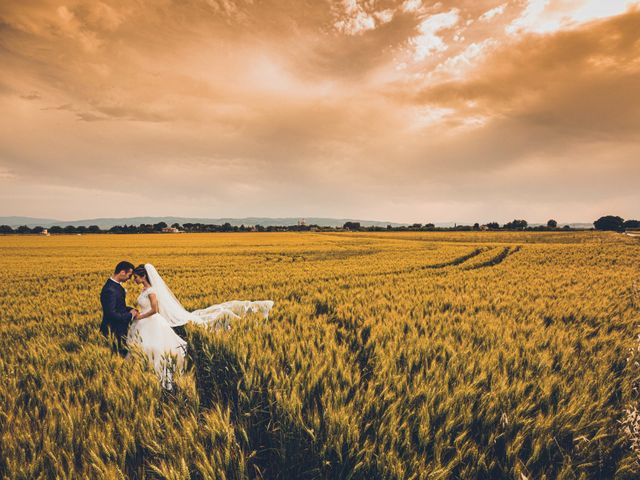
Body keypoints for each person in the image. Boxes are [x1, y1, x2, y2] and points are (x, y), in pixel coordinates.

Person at [128, 263, 274, 389]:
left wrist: (140, 315)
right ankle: (142, 371)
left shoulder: (152, 291)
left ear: (143, 276)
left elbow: (155, 309)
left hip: (151, 320)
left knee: (156, 347)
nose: (134, 279)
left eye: (136, 277)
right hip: (145, 322)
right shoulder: (144, 290)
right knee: (145, 346)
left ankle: (154, 372)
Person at [100, 261, 138, 356]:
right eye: (129, 275)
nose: (129, 279)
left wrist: (130, 309)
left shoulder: (115, 286)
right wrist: (130, 315)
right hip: (113, 330)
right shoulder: (110, 290)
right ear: (122, 272)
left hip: (119, 329)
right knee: (118, 355)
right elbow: (111, 313)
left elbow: (119, 306)